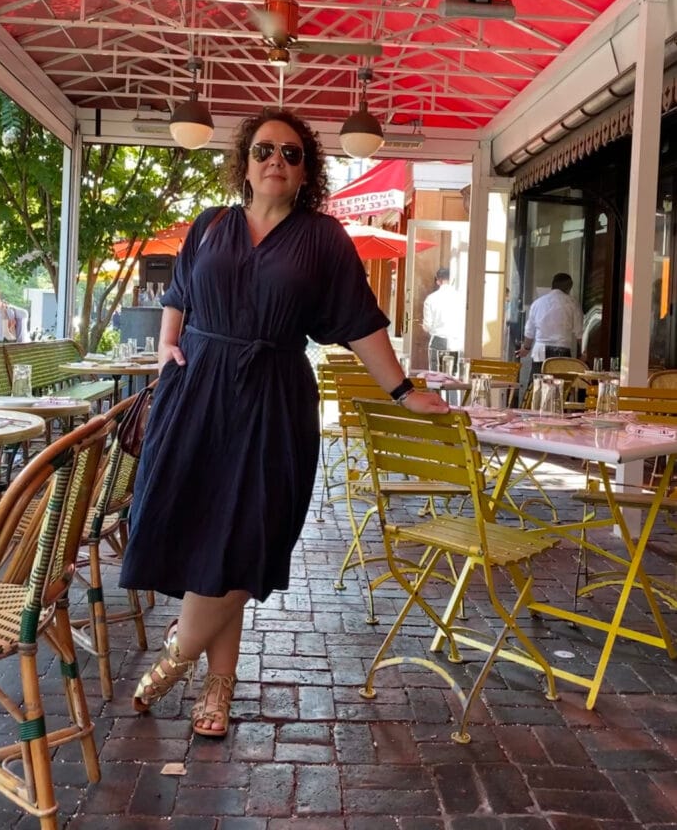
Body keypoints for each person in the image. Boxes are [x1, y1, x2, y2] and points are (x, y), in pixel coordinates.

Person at [119, 107, 448, 738]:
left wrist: (403, 390)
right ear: (244, 162)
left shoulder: (324, 239)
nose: (277, 160)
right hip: (197, 395)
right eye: (266, 149)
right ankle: (219, 686)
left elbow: (360, 321)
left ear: (306, 173)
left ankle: (177, 656)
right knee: (205, 531)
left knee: (247, 532)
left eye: (292, 154)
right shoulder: (210, 226)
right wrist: (167, 346)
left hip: (273, 398)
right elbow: (178, 295)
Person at [517, 272, 584, 377]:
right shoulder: (572, 304)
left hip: (540, 352)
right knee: (561, 386)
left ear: (552, 286)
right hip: (562, 351)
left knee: (538, 386)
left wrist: (526, 348)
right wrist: (584, 352)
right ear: (569, 289)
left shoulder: (538, 303)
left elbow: (530, 331)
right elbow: (580, 333)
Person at [422, 267, 464, 371]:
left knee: (435, 377)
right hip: (455, 341)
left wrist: (425, 327)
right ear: (452, 279)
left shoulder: (431, 299)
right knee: (452, 377)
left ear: (438, 281)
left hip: (437, 340)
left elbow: (427, 325)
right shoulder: (460, 298)